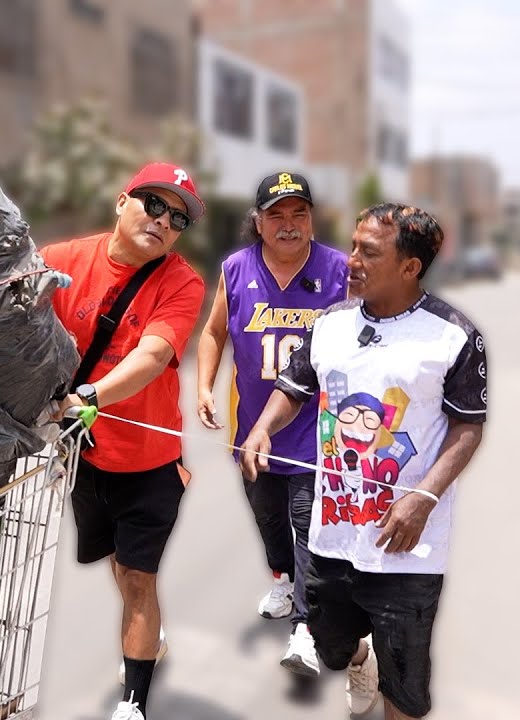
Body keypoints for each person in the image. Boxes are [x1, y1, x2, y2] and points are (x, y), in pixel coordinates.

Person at [240, 203, 487, 718]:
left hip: (408, 548)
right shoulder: (330, 323)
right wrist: (263, 426)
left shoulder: (453, 335)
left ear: (410, 267)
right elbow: (294, 387)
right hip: (332, 537)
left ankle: (390, 680)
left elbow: (467, 427)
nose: (351, 260)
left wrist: (422, 498)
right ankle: (358, 659)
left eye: (369, 252)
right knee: (330, 647)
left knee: (404, 688)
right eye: (352, 246)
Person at [42, 162, 207, 720]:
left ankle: (134, 699)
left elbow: (153, 356)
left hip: (150, 463)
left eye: (178, 217)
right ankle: (147, 638)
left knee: (140, 578)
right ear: (122, 201)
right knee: (119, 565)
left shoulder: (181, 281)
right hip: (87, 458)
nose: (163, 221)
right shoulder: (60, 263)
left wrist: (88, 397)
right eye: (154, 204)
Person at [195, 172, 348, 676]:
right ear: (257, 223)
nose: (288, 225)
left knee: (308, 524)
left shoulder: (341, 271)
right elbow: (214, 333)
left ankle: (305, 627)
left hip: (315, 431)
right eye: (276, 216)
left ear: (312, 219)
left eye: (298, 214)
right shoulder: (236, 270)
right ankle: (281, 579)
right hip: (252, 430)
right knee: (267, 517)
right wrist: (203, 387)